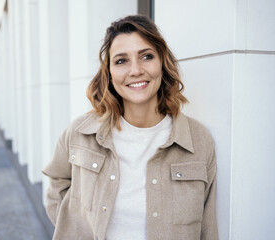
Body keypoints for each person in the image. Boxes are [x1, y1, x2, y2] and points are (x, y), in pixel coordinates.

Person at [43, 15, 218, 240]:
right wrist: (73, 231)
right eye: (121, 61)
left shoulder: (198, 140)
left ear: (162, 64)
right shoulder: (80, 133)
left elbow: (208, 226)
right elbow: (57, 182)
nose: (135, 70)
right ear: (109, 73)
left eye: (146, 56)